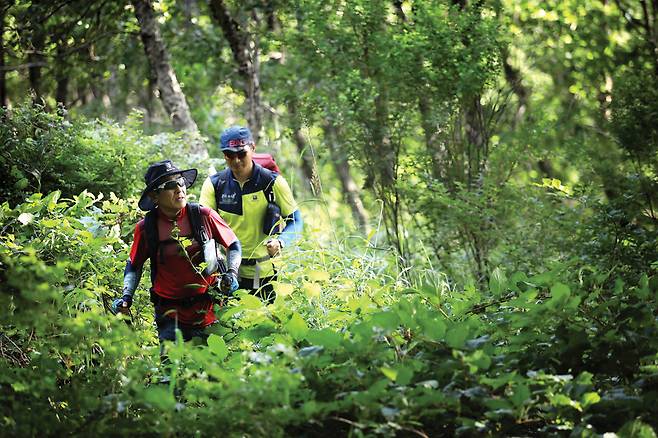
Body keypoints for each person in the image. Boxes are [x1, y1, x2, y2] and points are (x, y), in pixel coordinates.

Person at [112, 159, 241, 347]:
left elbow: (233, 244)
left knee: (211, 371)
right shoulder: (146, 228)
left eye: (180, 182)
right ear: (155, 196)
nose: (179, 189)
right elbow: (134, 265)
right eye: (170, 185)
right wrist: (126, 297)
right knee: (172, 371)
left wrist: (232, 272)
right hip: (169, 315)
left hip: (209, 309)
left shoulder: (204, 216)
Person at [199, 126, 303, 303]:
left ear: (252, 148)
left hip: (266, 272)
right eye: (230, 155)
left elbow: (296, 221)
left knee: (266, 326)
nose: (236, 160)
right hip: (228, 273)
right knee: (232, 328)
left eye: (241, 154)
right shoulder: (214, 185)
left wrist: (281, 241)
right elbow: (202, 228)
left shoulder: (272, 182)